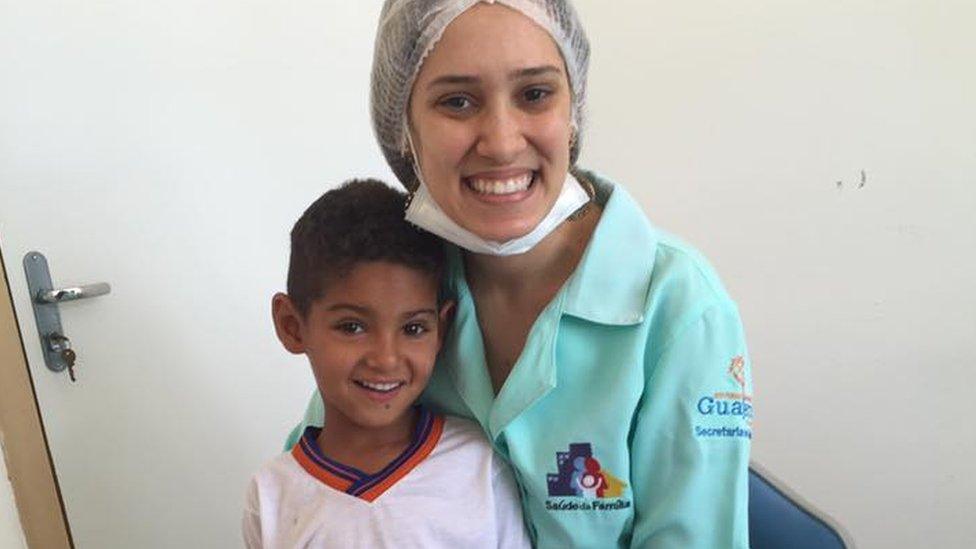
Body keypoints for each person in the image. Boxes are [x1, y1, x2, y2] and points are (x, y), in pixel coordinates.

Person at [291, 1, 754, 547]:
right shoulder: (395, 289)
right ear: (403, 128)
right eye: (457, 101)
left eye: (535, 94)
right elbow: (316, 492)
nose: (503, 142)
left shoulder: (678, 309)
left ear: (573, 107)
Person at [245, 179, 531, 548]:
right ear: (292, 326)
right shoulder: (271, 496)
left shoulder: (479, 467)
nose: (386, 358)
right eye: (352, 327)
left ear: (441, 328)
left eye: (413, 328)